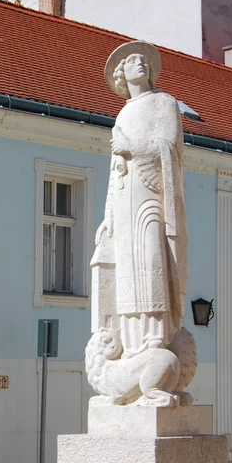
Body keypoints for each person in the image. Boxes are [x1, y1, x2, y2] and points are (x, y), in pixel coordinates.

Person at [92, 41, 188, 358]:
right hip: (124, 198)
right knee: (127, 268)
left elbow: (169, 146)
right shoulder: (122, 113)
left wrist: (132, 147)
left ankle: (156, 336)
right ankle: (133, 343)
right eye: (133, 61)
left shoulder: (164, 103)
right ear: (122, 75)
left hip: (150, 194)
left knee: (151, 257)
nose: (141, 63)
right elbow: (114, 170)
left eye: (144, 60)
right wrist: (108, 216)